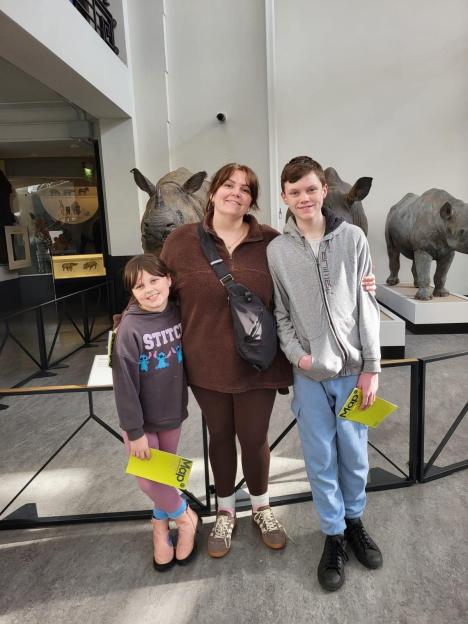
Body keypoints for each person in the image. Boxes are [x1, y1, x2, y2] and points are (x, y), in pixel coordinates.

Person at [161, 163, 376, 559]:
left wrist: (364, 281)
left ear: (255, 199)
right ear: (212, 192)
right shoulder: (179, 242)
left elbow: (299, 296)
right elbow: (157, 292)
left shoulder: (271, 242)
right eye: (228, 185)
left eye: (245, 189)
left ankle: (261, 506)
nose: (236, 193)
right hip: (206, 364)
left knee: (256, 439)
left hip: (260, 365)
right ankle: (225, 511)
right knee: (220, 437)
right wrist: (131, 328)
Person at [267, 156, 383, 592]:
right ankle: (332, 533)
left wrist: (371, 368)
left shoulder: (352, 238)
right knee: (319, 458)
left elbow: (367, 305)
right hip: (309, 376)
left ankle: (355, 522)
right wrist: (299, 358)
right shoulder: (277, 250)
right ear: (284, 197)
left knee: (355, 453)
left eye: (311, 190)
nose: (304, 198)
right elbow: (280, 313)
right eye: (294, 192)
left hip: (355, 372)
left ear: (323, 191)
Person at [112, 254, 199, 572]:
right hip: (141, 422)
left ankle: (160, 526)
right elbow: (123, 387)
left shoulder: (178, 312)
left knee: (165, 475)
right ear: (132, 293)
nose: (149, 289)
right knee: (148, 480)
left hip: (171, 413)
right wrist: (134, 431)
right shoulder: (129, 329)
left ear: (168, 280)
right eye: (139, 286)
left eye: (154, 280)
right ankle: (184, 517)